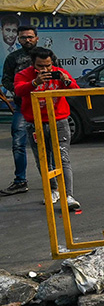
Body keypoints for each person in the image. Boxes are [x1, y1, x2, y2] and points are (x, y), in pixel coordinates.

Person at [13, 47, 81, 211]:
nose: (45, 70)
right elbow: (18, 90)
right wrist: (35, 82)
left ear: (52, 63)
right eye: (40, 66)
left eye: (48, 66)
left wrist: (67, 81)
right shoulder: (23, 75)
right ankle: (53, 190)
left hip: (59, 122)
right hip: (35, 123)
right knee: (43, 160)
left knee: (63, 159)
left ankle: (68, 195)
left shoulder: (60, 72)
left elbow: (77, 91)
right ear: (33, 64)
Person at [0, 26, 38, 196]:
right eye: (23, 37)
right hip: (22, 106)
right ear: (18, 39)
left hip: (45, 106)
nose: (27, 40)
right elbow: (6, 80)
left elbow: (56, 74)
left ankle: (54, 183)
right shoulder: (13, 58)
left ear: (37, 38)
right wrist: (18, 90)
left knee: (49, 144)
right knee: (18, 143)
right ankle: (20, 181)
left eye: (30, 37)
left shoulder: (45, 56)